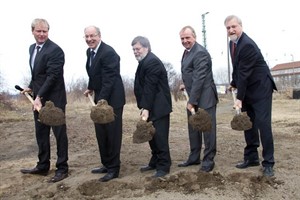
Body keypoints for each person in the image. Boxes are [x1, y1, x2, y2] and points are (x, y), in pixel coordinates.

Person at [224, 15, 277, 177]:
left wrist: (239, 98)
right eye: (228, 28)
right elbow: (238, 68)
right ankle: (251, 157)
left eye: (234, 26)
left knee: (262, 124)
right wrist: (234, 82)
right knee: (249, 123)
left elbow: (245, 73)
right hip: (248, 87)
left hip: (261, 88)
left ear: (241, 26)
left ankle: (268, 162)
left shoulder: (247, 44)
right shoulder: (233, 43)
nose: (231, 30)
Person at [20, 18, 69, 183]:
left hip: (54, 100)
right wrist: (31, 88)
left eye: (45, 31)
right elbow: (38, 75)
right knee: (41, 133)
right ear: (32, 31)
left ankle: (62, 168)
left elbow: (52, 76)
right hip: (38, 99)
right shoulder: (31, 49)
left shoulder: (56, 50)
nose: (42, 34)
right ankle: (42, 166)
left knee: (59, 133)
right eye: (38, 31)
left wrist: (39, 96)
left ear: (48, 32)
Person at [83, 26, 125, 182]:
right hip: (100, 99)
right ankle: (106, 164)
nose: (89, 39)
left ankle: (114, 169)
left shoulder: (108, 53)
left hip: (112, 100)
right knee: (101, 133)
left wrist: (102, 100)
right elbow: (94, 73)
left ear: (99, 36)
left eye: (92, 36)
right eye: (86, 36)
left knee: (112, 134)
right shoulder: (90, 52)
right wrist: (90, 87)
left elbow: (109, 79)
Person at [178, 26, 218, 172]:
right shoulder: (187, 52)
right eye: (182, 38)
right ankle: (194, 157)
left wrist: (192, 101)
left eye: (187, 37)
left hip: (205, 98)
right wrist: (185, 85)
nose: (185, 41)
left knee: (207, 129)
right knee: (193, 128)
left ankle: (208, 160)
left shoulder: (200, 53)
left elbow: (200, 78)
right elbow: (190, 73)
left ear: (194, 37)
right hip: (193, 95)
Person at [131, 36, 172, 178]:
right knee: (152, 137)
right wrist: (144, 107)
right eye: (134, 49)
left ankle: (164, 166)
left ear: (146, 47)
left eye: (138, 49)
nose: (135, 52)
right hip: (150, 106)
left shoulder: (152, 62)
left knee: (160, 138)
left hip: (158, 107)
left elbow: (150, 88)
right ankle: (155, 161)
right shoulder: (144, 61)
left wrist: (146, 108)